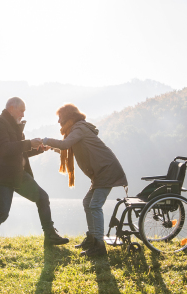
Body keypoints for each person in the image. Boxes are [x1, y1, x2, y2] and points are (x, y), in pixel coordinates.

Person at [0, 96, 69, 259]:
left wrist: (40, 148)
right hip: (3, 175)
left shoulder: (15, 126)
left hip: (17, 174)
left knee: (42, 198)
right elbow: (5, 149)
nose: (23, 114)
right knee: (2, 212)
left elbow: (20, 151)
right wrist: (28, 143)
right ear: (11, 108)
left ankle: (50, 236)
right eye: (21, 111)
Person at [42, 103, 127, 258]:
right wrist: (50, 147)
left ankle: (99, 246)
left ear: (69, 117)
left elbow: (65, 145)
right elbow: (66, 147)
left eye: (60, 118)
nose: (58, 122)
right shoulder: (76, 129)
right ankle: (92, 238)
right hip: (100, 173)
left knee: (94, 205)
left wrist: (46, 140)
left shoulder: (79, 128)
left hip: (106, 171)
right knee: (88, 202)